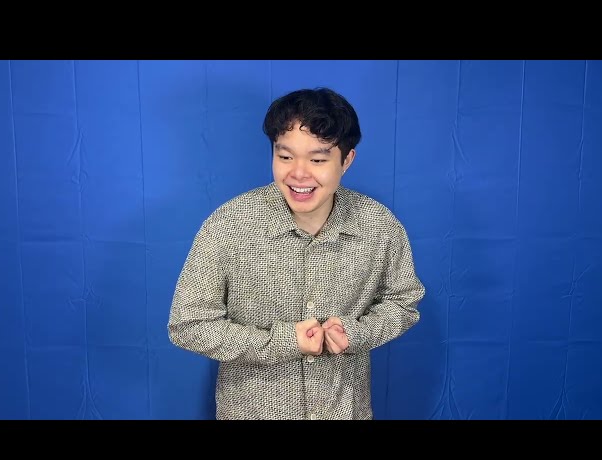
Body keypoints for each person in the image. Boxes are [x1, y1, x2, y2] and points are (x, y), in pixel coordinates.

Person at [168, 87, 425, 420]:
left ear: (346, 160)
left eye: (317, 160)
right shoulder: (228, 225)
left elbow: (403, 302)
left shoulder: (379, 225)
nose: (299, 173)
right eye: (285, 156)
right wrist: (285, 341)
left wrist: (358, 333)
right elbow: (188, 324)